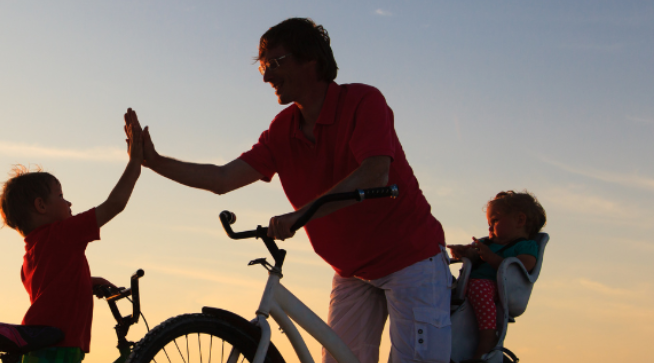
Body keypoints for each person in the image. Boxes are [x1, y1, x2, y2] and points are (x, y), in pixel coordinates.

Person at [128, 18, 451, 363]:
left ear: (311, 60)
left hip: (410, 260)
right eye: (263, 67)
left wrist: (299, 215)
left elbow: (375, 172)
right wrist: (155, 161)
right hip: (351, 271)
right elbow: (222, 179)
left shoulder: (362, 101)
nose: (267, 76)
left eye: (276, 63)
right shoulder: (283, 129)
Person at [0, 109, 144, 363]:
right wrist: (135, 162)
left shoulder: (31, 257)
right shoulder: (63, 235)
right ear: (41, 206)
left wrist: (89, 280)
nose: (69, 202)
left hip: (43, 347)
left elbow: (56, 289)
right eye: (61, 196)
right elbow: (114, 204)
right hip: (58, 347)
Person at [448, 191, 546, 362]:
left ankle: (488, 337)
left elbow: (522, 267)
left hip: (495, 288)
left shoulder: (525, 246)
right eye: (489, 222)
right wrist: (464, 253)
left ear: (520, 221)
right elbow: (473, 257)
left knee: (479, 287)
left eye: (495, 221)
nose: (489, 227)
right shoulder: (488, 244)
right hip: (468, 286)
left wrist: (491, 257)